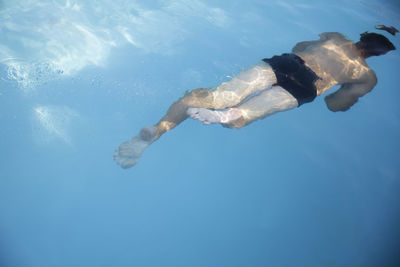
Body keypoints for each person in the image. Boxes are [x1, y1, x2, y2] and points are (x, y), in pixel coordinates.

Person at [114, 29, 396, 168]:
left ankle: (154, 132)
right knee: (239, 118)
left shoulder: (334, 37)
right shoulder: (366, 76)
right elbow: (335, 104)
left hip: (287, 63)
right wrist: (347, 94)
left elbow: (298, 46)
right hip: (307, 87)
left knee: (214, 97)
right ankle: (226, 117)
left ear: (362, 35)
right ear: (379, 55)